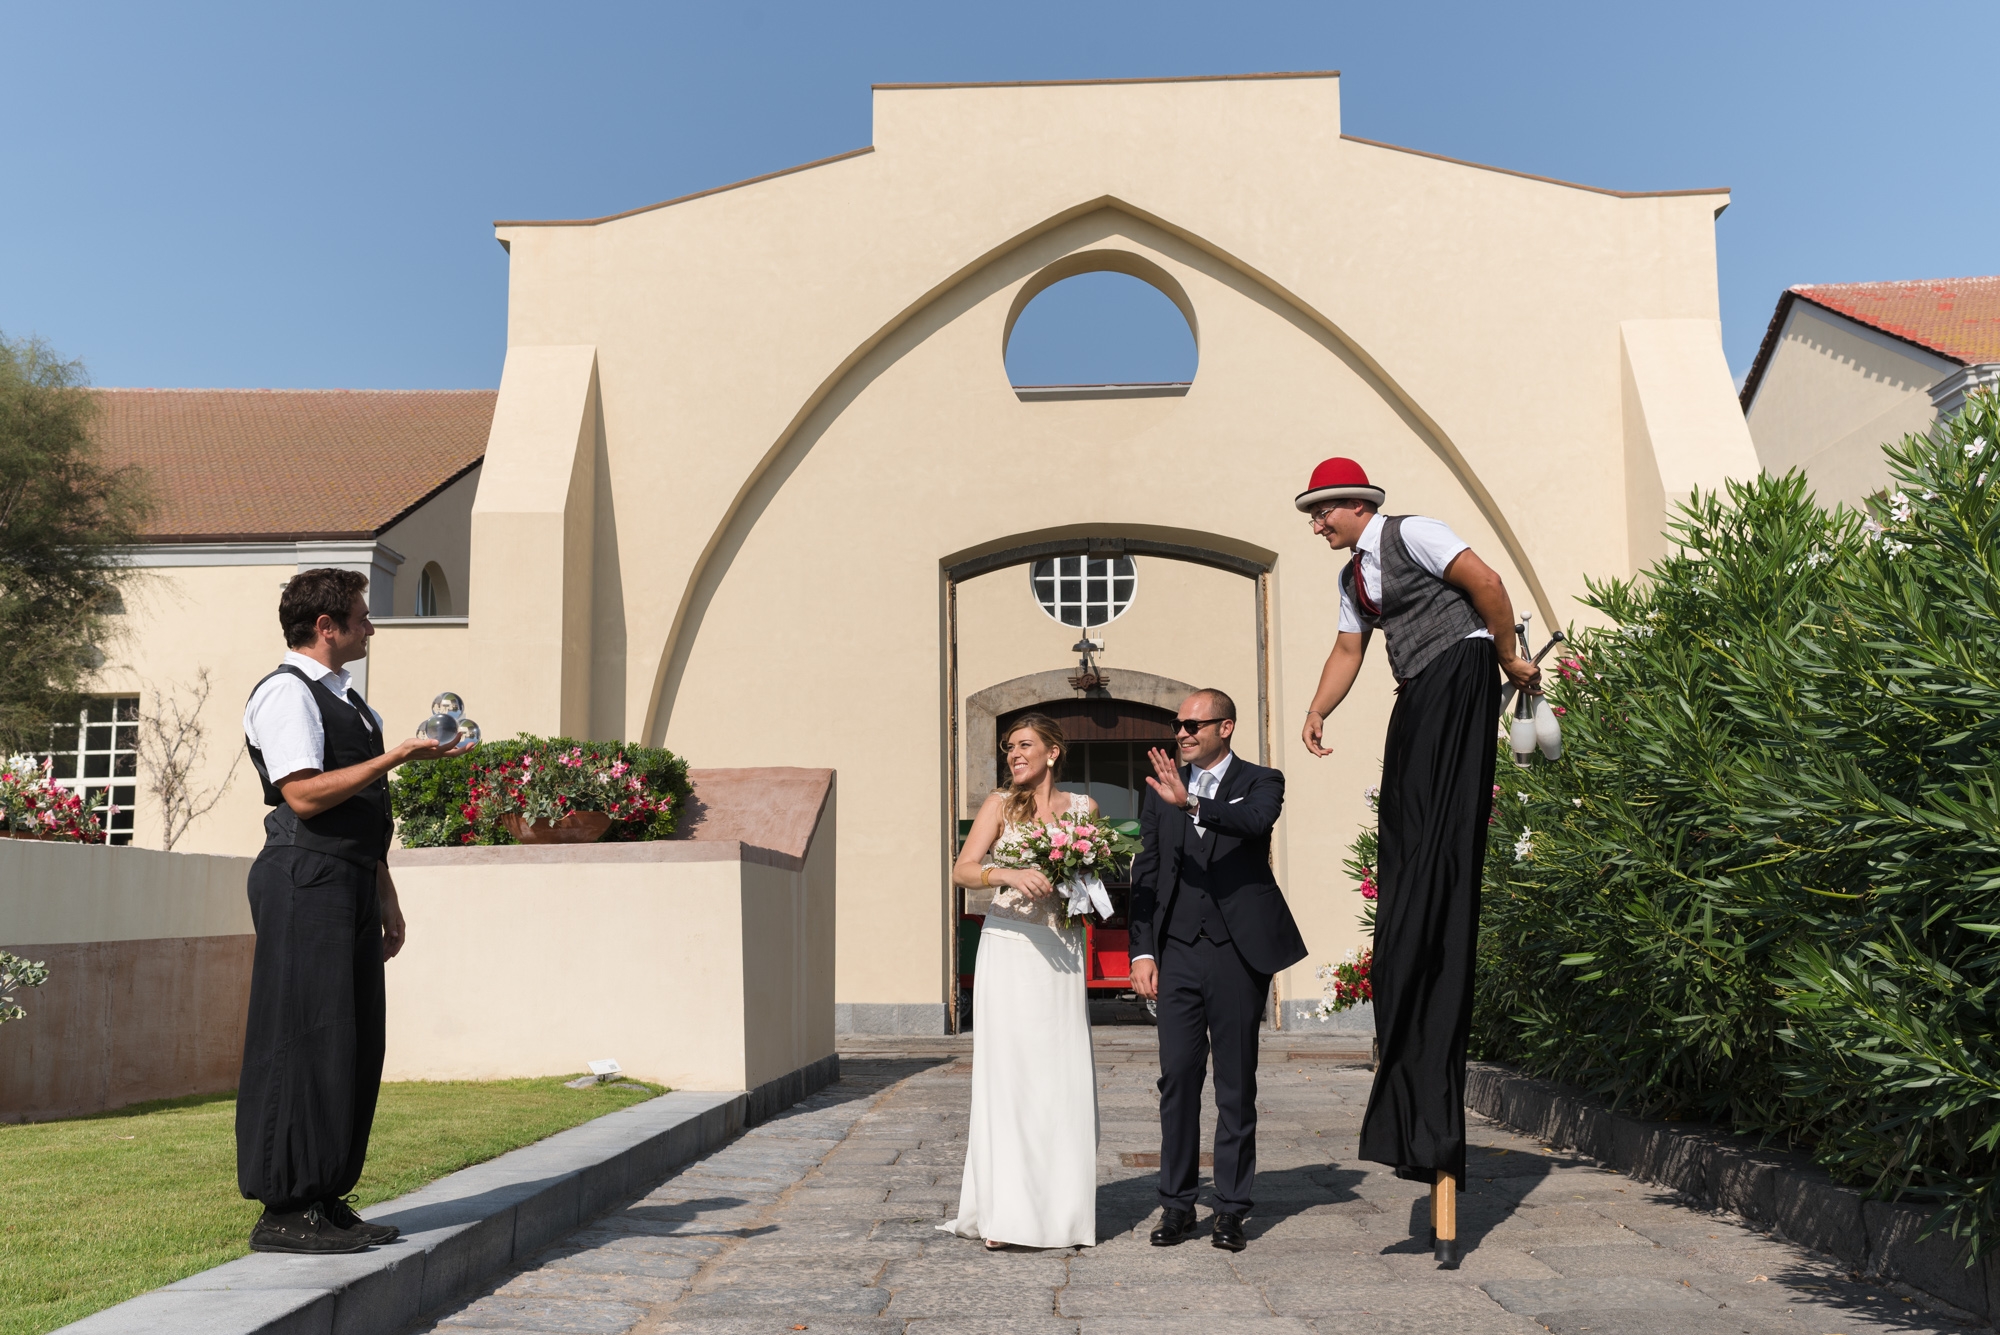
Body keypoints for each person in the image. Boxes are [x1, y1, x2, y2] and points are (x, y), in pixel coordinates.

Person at [1293, 457, 1538, 1267]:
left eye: (1322, 510)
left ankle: (1431, 893)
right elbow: (1348, 649)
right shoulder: (1352, 579)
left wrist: (1507, 659)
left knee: (1437, 841)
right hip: (1419, 689)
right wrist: (1319, 707)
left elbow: (1490, 583)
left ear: (1357, 504)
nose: (1316, 523)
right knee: (1405, 833)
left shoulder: (1415, 533)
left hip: (1464, 667)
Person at [236, 568, 467, 1254]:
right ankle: (283, 1206)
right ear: (326, 626)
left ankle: (325, 1193)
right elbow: (304, 794)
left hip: (348, 880)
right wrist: (396, 755)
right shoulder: (286, 693)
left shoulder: (352, 704)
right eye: (362, 617)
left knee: (349, 1041)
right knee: (300, 1036)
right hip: (303, 875)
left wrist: (385, 893)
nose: (371, 626)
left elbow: (362, 810)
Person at [1129, 689, 1307, 1253]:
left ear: (1225, 727)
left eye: (1192, 724)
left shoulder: (1263, 779)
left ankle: (1231, 1208)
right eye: (1177, 724)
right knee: (1177, 1079)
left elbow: (1254, 824)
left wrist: (1193, 805)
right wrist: (1142, 952)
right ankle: (1177, 1205)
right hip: (1178, 951)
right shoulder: (1159, 791)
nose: (1181, 733)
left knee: (1235, 1083)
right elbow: (1148, 873)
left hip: (1237, 953)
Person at [941, 714, 1100, 1251]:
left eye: (1025, 745)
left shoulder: (1084, 811)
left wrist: (1080, 872)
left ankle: (1062, 1214)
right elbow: (962, 868)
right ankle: (1006, 1215)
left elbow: (1093, 878)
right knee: (1010, 1077)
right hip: (1009, 947)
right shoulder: (998, 806)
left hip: (1063, 949)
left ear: (1053, 753)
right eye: (1010, 747)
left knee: (1061, 1077)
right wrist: (1005, 874)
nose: (1014, 754)